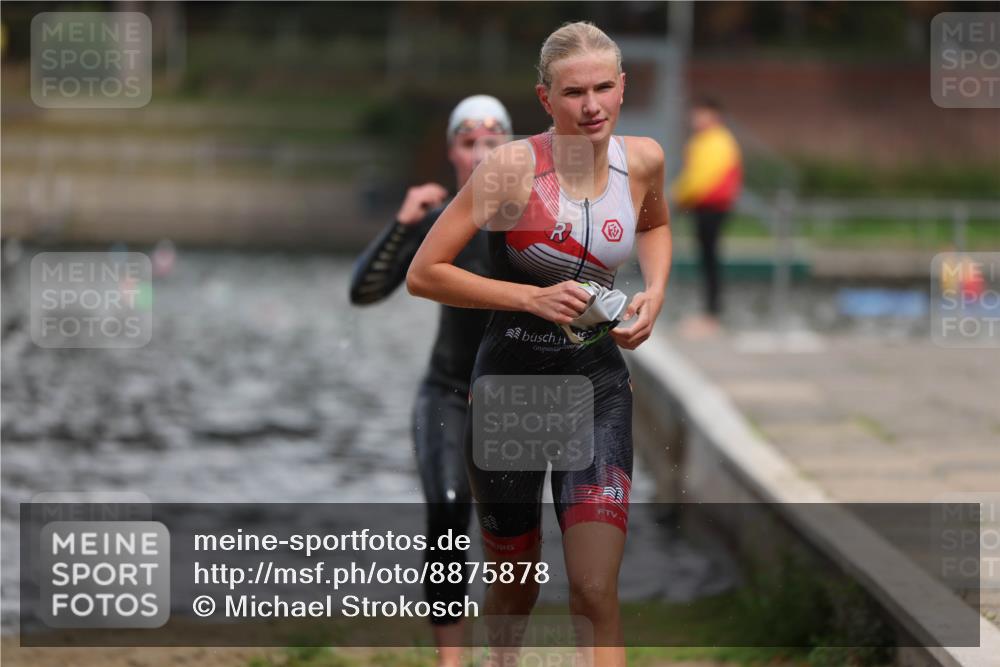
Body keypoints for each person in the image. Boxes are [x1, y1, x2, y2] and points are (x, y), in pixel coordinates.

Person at [407, 21, 671, 667]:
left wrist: (656, 290)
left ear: (623, 86)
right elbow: (425, 273)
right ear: (545, 98)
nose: (591, 106)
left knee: (594, 588)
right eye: (574, 92)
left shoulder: (642, 160)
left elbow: (655, 222)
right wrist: (528, 298)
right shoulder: (510, 169)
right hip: (509, 392)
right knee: (516, 585)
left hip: (597, 387)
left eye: (603, 88)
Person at [349, 95, 513, 667]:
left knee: (511, 533)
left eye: (492, 142)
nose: (481, 153)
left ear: (510, 150)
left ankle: (503, 656)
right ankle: (451, 662)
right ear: (452, 153)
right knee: (447, 512)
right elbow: (364, 292)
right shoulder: (438, 221)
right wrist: (403, 223)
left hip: (514, 401)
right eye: (469, 143)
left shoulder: (533, 218)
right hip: (448, 393)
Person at [670, 97, 742, 338]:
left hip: (713, 207)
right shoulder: (706, 141)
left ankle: (711, 314)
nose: (695, 119)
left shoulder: (716, 141)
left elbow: (701, 178)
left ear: (714, 115)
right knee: (708, 259)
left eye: (701, 114)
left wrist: (676, 195)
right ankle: (710, 312)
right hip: (706, 207)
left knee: (709, 260)